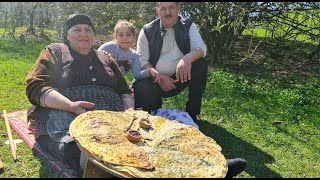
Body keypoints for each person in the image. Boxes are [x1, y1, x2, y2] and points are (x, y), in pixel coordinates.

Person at [133, 2, 247, 178]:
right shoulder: (147, 30)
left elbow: (201, 49)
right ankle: (151, 118)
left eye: (171, 7)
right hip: (155, 80)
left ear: (179, 9)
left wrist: (186, 59)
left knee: (200, 65)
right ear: (157, 11)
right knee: (142, 86)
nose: (167, 12)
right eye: (163, 8)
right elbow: (142, 61)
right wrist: (160, 77)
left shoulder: (188, 25)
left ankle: (192, 114)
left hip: (181, 77)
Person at [25, 14, 134, 176]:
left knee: (131, 149)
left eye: (88, 30)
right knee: (85, 151)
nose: (83, 34)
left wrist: (130, 112)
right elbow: (36, 86)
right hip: (64, 117)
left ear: (93, 36)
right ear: (67, 35)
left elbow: (124, 90)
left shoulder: (105, 57)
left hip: (110, 121)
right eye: (77, 30)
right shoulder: (56, 51)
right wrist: (70, 105)